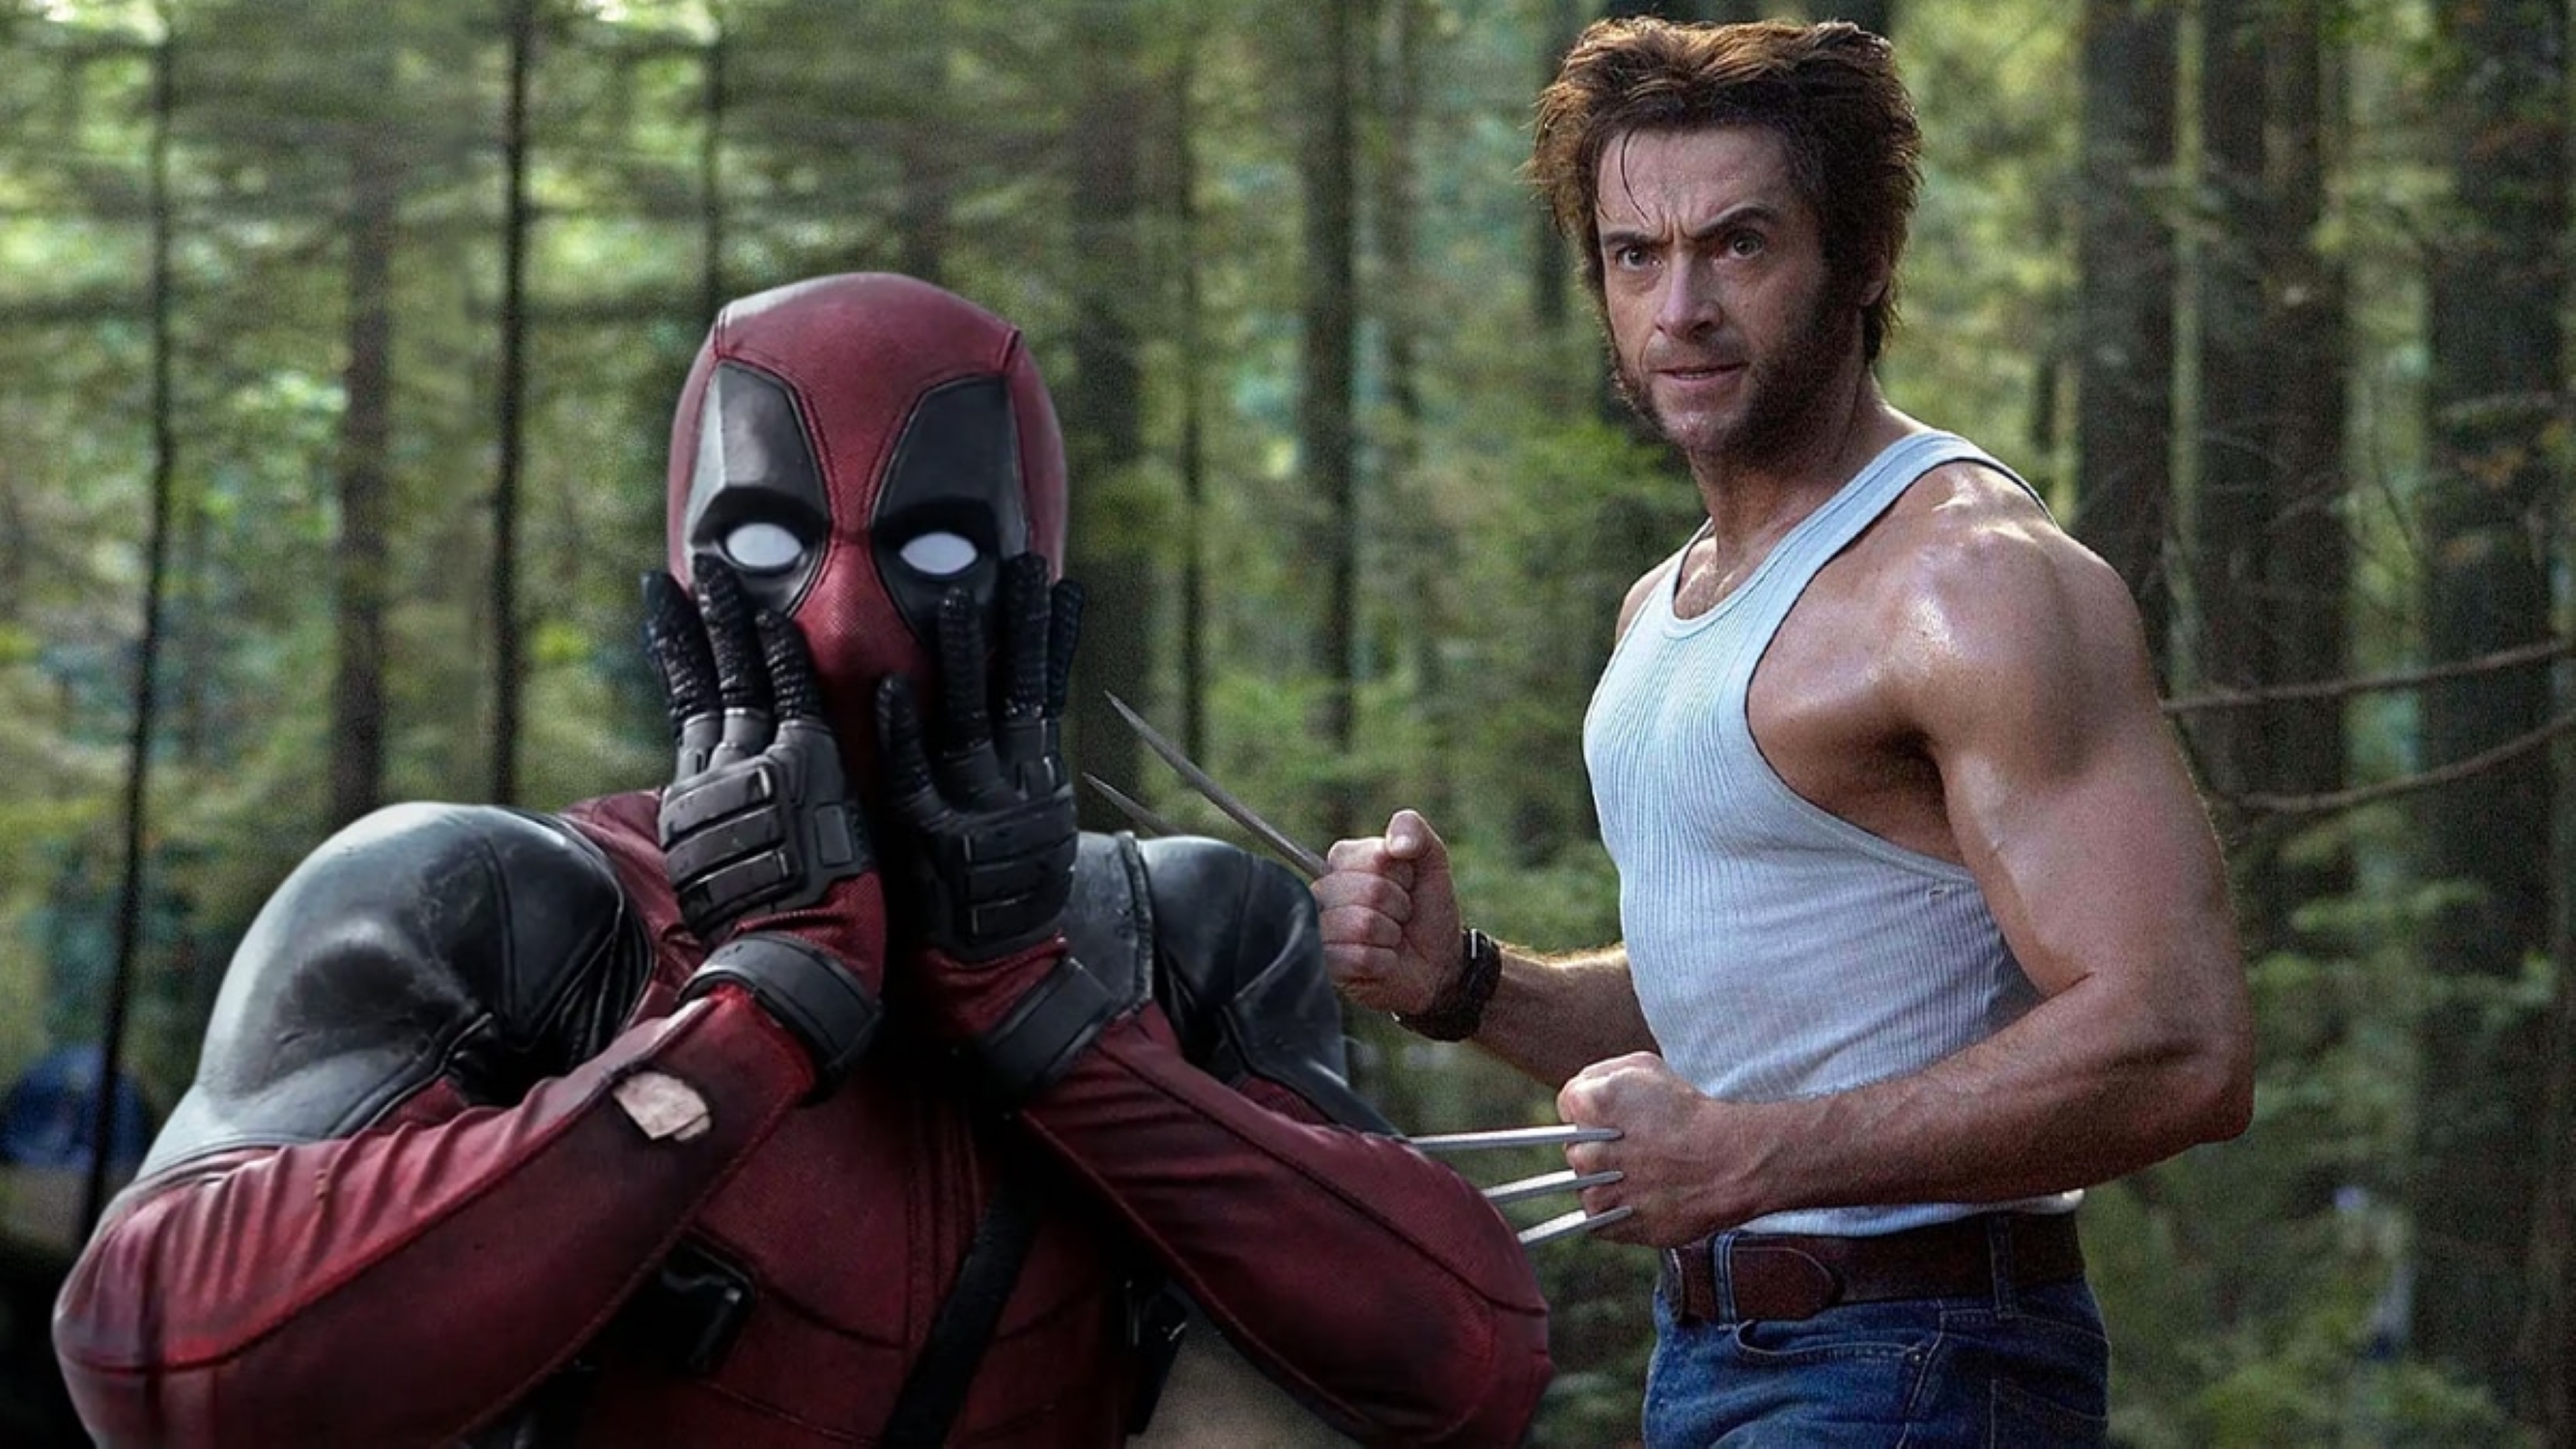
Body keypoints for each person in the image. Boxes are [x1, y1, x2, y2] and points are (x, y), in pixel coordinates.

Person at [52, 273, 1551, 1447]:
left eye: (936, 549)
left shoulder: (1180, 933)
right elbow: (158, 1358)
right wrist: (751, 1014)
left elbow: (1468, 1365)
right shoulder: (496, 911)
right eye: (765, 546)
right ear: (683, 570)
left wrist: (1048, 1020)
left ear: (1031, 578)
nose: (837, 621)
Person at [1313, 18, 2253, 1446]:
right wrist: (1464, 983)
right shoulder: (1661, 608)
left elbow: (2181, 1041)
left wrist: (1747, 1160)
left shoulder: (1968, 584)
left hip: (1925, 1358)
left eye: (1738, 245)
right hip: (1721, 1356)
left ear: (1863, 259)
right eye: (1637, 255)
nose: (1680, 307)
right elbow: (1761, 1019)